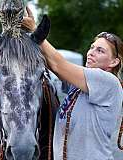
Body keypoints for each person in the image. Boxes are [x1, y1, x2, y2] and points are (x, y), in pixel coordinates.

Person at [22, 7, 123, 160]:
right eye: (92, 47)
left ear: (114, 62)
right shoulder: (78, 86)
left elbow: (58, 64)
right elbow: (51, 63)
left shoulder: (108, 81)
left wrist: (36, 30)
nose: (91, 53)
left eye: (100, 51)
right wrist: (25, 34)